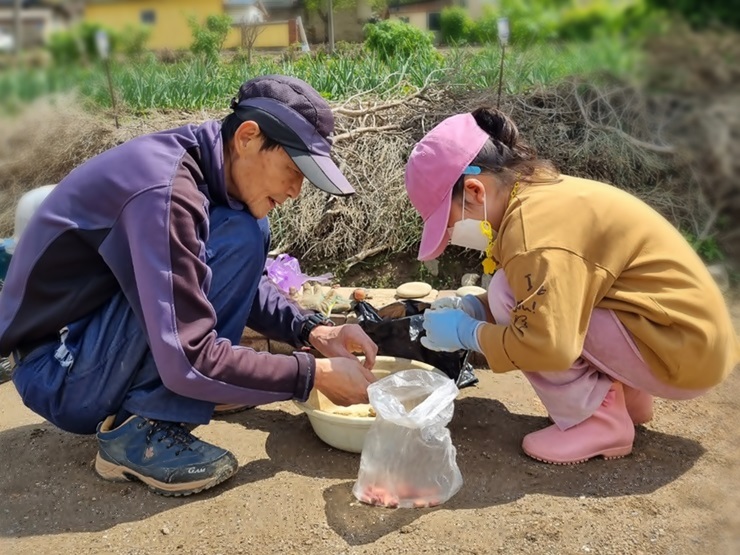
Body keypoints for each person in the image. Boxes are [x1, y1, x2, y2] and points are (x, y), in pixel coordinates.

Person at [0, 75, 378, 496]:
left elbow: (224, 277)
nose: (295, 191)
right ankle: (140, 433)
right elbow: (190, 357)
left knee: (244, 230)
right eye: (293, 170)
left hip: (92, 344)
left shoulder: (201, 169)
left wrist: (310, 330)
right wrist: (313, 374)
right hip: (59, 368)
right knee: (242, 235)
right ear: (248, 137)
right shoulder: (163, 192)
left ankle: (191, 392)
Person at [405, 107, 739, 465]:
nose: (453, 235)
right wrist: (473, 309)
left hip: (683, 358)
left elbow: (546, 343)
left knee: (508, 295)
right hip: (688, 342)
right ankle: (629, 399)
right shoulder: (543, 197)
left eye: (450, 222)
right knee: (511, 293)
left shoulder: (533, 235)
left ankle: (600, 423)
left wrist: (468, 333)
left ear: (474, 191)